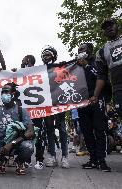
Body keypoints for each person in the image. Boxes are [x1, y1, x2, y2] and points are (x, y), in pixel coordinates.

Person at [77, 42, 111, 172]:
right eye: (79, 49)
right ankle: (93, 159)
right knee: (86, 131)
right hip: (82, 102)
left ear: (90, 50)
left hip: (97, 100)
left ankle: (102, 160)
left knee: (99, 130)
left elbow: (101, 76)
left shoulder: (97, 62)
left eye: (83, 49)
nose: (80, 51)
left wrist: (86, 65)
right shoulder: (76, 65)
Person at [41, 46, 70, 168]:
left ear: (53, 56)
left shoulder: (60, 68)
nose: (45, 57)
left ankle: (64, 156)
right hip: (47, 104)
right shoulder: (40, 71)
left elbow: (68, 83)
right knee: (49, 130)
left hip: (59, 103)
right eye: (43, 55)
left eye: (47, 55)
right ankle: (52, 156)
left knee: (62, 129)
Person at [90, 18, 122, 119]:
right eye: (105, 27)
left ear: (117, 26)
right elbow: (101, 76)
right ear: (103, 32)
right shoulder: (101, 52)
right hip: (118, 87)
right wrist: (95, 95)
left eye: (111, 25)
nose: (108, 28)